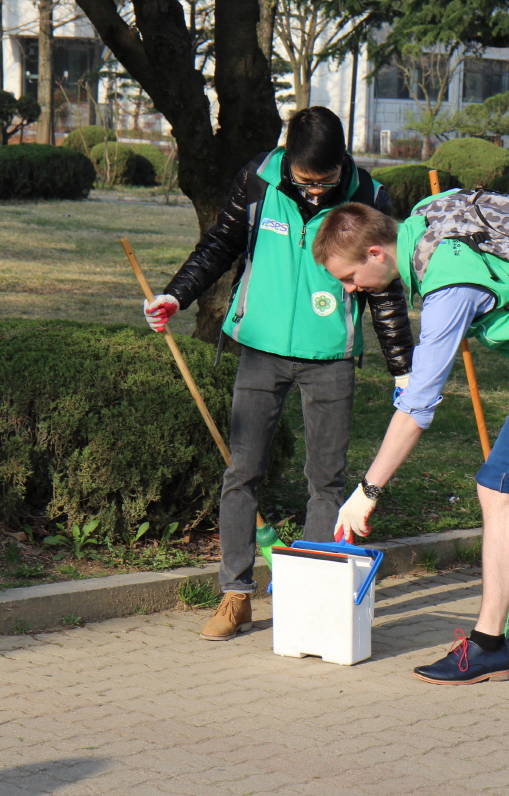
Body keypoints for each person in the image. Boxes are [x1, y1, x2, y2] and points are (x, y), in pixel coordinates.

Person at [311, 195, 509, 685]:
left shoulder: (448, 282)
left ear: (376, 253)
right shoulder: (424, 222)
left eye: (349, 278)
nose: (349, 290)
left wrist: (366, 491)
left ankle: (487, 646)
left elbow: (418, 409)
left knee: (497, 487)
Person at [142, 107, 414, 641]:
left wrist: (402, 369)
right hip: (261, 348)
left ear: (343, 164)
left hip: (330, 358)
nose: (315, 191)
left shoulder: (370, 195)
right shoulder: (258, 180)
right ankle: (236, 594)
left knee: (325, 481)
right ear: (288, 161)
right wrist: (177, 294)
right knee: (242, 471)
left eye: (326, 181)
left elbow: (384, 288)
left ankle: (308, 600)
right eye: (306, 180)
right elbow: (219, 244)